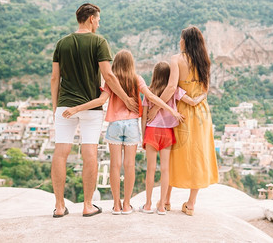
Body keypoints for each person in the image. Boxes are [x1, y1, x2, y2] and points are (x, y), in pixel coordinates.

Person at [62, 50, 184, 215]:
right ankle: (127, 205)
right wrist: (171, 110)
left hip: (115, 126)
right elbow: (151, 97)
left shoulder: (111, 81)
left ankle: (117, 205)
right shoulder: (137, 79)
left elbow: (100, 101)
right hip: (132, 125)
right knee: (129, 166)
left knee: (115, 166)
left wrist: (76, 108)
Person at [51, 3, 138, 218]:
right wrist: (127, 99)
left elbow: (55, 78)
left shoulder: (62, 43)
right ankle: (88, 205)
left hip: (65, 105)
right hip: (92, 106)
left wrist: (56, 106)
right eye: (98, 19)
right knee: (89, 152)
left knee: (61, 152)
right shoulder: (99, 42)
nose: (99, 23)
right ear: (91, 19)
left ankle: (60, 206)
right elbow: (108, 76)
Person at [146, 26, 219, 216]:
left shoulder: (176, 59)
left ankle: (166, 200)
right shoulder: (204, 60)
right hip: (201, 113)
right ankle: (191, 204)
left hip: (181, 113)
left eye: (181, 38)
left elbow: (171, 88)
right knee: (197, 155)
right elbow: (205, 90)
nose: (179, 41)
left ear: (185, 41)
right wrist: (194, 100)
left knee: (174, 155)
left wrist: (156, 107)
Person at [140, 61, 206, 215]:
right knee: (165, 170)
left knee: (150, 169)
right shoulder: (175, 90)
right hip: (167, 133)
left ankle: (148, 204)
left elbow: (143, 117)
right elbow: (193, 102)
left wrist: (143, 136)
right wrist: (203, 94)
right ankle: (162, 206)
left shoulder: (149, 92)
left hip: (151, 132)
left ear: (154, 75)